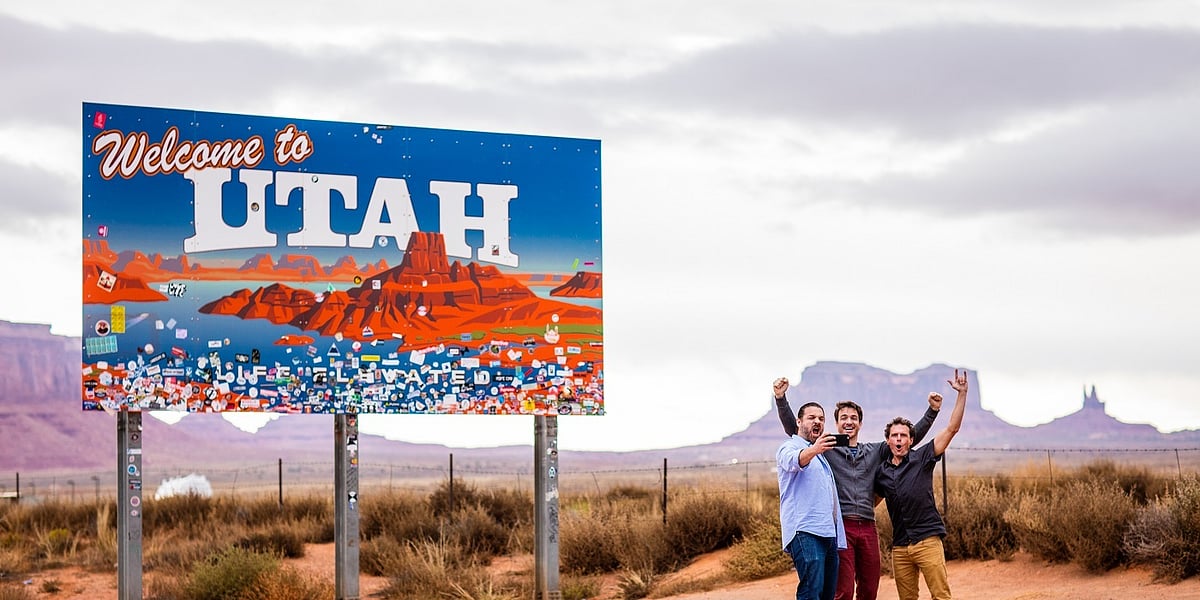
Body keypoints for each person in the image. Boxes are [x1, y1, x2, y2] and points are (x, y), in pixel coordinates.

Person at [773, 377, 941, 600]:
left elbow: (907, 440)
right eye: (843, 418)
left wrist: (932, 411)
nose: (849, 421)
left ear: (860, 423)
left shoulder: (874, 451)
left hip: (868, 525)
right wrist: (781, 399)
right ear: (837, 423)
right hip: (842, 527)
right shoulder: (826, 448)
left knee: (870, 587)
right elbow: (797, 432)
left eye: (854, 418)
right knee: (842, 590)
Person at [874, 369, 969, 600]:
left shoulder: (923, 457)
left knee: (941, 596)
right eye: (894, 436)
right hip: (900, 547)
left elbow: (951, 429)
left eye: (903, 435)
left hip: (927, 541)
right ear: (888, 440)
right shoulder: (881, 472)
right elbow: (870, 503)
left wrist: (962, 394)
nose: (899, 439)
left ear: (911, 440)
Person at [777, 401, 846, 600]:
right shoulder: (789, 447)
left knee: (826, 594)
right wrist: (815, 450)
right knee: (810, 592)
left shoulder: (820, 454)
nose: (817, 421)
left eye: (821, 419)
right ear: (798, 422)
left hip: (828, 533)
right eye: (811, 418)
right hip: (805, 531)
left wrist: (817, 450)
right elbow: (793, 461)